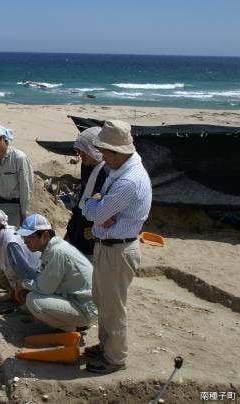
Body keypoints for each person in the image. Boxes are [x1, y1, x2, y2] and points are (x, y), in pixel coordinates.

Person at [82, 120, 152, 374]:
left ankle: (115, 359)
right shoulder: (124, 167)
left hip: (118, 250)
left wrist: (96, 205)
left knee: (114, 307)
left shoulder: (128, 181)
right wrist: (101, 214)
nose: (101, 157)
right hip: (109, 245)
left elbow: (93, 213)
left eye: (104, 152)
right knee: (103, 301)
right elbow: (100, 216)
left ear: (116, 152)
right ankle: (106, 346)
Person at [15, 214, 98, 333]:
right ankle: (73, 323)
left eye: (29, 238)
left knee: (33, 300)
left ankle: (70, 329)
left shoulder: (56, 252)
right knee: (33, 293)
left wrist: (23, 285)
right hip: (83, 303)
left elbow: (45, 288)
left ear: (45, 235)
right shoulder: (53, 248)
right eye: (24, 238)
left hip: (86, 308)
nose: (25, 241)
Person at [0, 209, 40, 302]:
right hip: (24, 276)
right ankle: (12, 293)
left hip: (36, 278)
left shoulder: (10, 243)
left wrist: (23, 289)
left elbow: (26, 273)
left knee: (26, 309)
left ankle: (26, 297)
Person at [64, 127, 107, 260]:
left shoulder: (107, 171)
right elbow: (83, 196)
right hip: (80, 219)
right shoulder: (86, 165)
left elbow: (107, 204)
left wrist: (96, 228)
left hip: (93, 227)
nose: (82, 158)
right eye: (80, 154)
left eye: (84, 154)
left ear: (94, 150)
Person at [0, 124, 34, 227]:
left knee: (11, 239)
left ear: (3, 139)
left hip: (13, 209)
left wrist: (24, 213)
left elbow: (26, 187)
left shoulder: (19, 158)